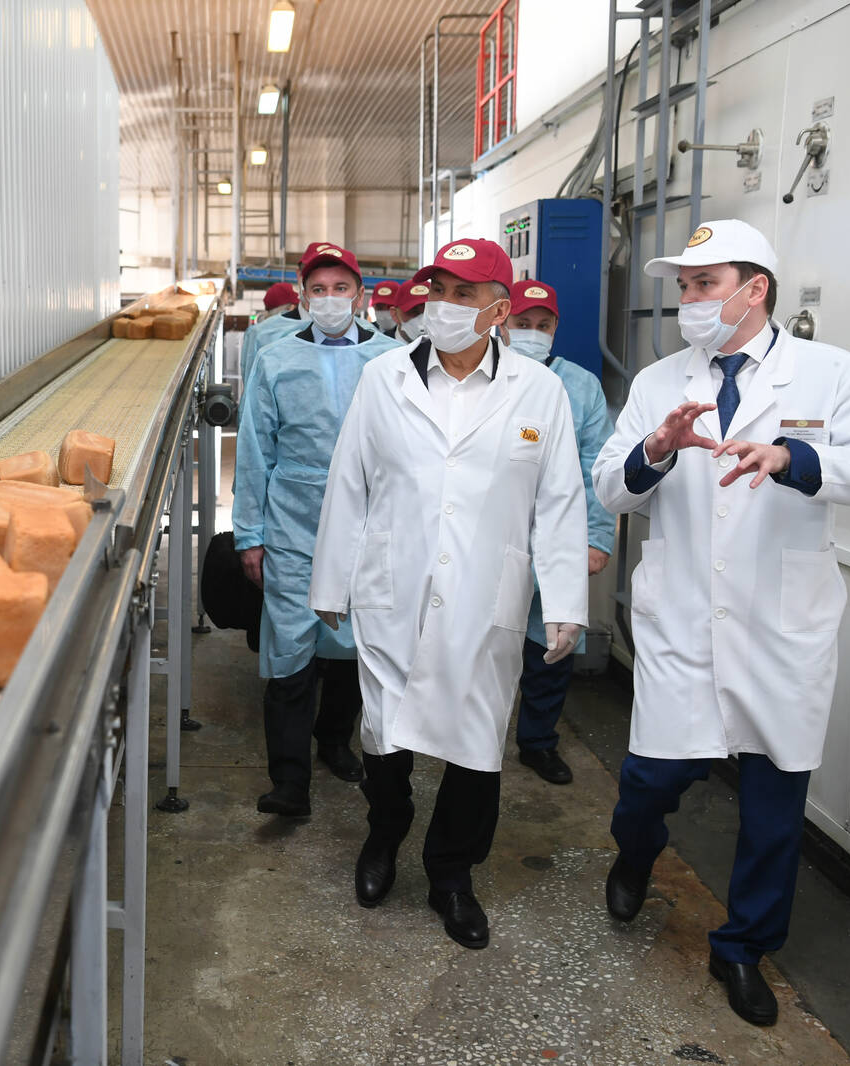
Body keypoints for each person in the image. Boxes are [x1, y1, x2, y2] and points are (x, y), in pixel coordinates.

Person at [591, 220, 850, 1026]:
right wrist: (655, 451)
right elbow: (609, 487)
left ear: (755, 288)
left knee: (774, 803)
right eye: (684, 287)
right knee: (650, 780)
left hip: (781, 625)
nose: (689, 301)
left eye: (705, 284)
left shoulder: (832, 374)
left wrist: (796, 458)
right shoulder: (659, 381)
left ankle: (742, 948)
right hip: (681, 618)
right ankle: (635, 854)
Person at [308, 238, 589, 949]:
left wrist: (564, 602)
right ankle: (385, 830)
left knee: (475, 743)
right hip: (393, 584)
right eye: (438, 290)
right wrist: (331, 579)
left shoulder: (539, 391)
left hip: (484, 596)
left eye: (464, 294)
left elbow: (558, 502)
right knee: (384, 731)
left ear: (499, 310)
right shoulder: (384, 377)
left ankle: (451, 875)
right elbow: (349, 481)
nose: (445, 305)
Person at [234, 244, 401, 817]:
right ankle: (289, 780)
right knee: (290, 646)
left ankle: (334, 740)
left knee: (355, 642)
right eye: (319, 289)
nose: (330, 299)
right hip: (293, 523)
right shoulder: (275, 359)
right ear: (304, 298)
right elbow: (255, 451)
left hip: (368, 522)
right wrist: (249, 534)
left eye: (340, 288)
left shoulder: (392, 358)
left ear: (360, 295)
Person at [502, 280, 616, 785]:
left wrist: (597, 537)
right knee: (481, 640)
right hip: (494, 532)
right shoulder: (485, 377)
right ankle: (471, 737)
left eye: (542, 325)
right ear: (503, 323)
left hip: (558, 532)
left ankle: (538, 742)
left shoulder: (581, 386)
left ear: (555, 329)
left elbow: (597, 467)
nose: (532, 332)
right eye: (522, 323)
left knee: (550, 642)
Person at [238, 243, 338, 389]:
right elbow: (253, 395)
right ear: (299, 275)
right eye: (312, 273)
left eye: (334, 278)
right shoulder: (262, 336)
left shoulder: (365, 338)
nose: (323, 282)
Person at [390, 275, 430, 343]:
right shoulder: (381, 347)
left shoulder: (444, 346)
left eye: (429, 311)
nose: (423, 318)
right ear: (395, 314)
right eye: (414, 311)